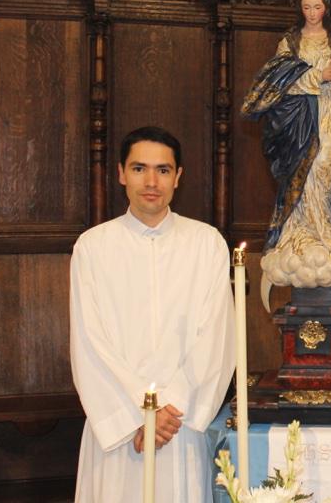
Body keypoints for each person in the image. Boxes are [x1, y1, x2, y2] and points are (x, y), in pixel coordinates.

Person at [70, 126, 235, 503]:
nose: (151, 181)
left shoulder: (206, 244)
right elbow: (89, 341)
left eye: (162, 170)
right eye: (139, 168)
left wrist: (165, 415)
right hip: (117, 427)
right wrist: (139, 416)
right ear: (121, 173)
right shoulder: (93, 248)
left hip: (181, 427)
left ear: (178, 177)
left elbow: (216, 339)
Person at [242, 0, 331, 291]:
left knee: (325, 164)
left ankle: (323, 224)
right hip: (300, 120)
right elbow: (279, 83)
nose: (312, 13)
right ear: (301, 9)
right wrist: (317, 76)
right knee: (305, 167)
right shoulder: (290, 42)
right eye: (306, 7)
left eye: (317, 7)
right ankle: (300, 228)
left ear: (326, 9)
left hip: (330, 116)